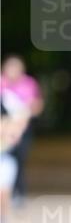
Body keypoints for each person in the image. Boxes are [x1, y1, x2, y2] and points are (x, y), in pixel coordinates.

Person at [0, 55, 44, 202]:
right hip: (3, 130)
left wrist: (26, 114)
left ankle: (18, 193)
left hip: (23, 130)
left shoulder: (29, 83)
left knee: (19, 160)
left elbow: (37, 106)